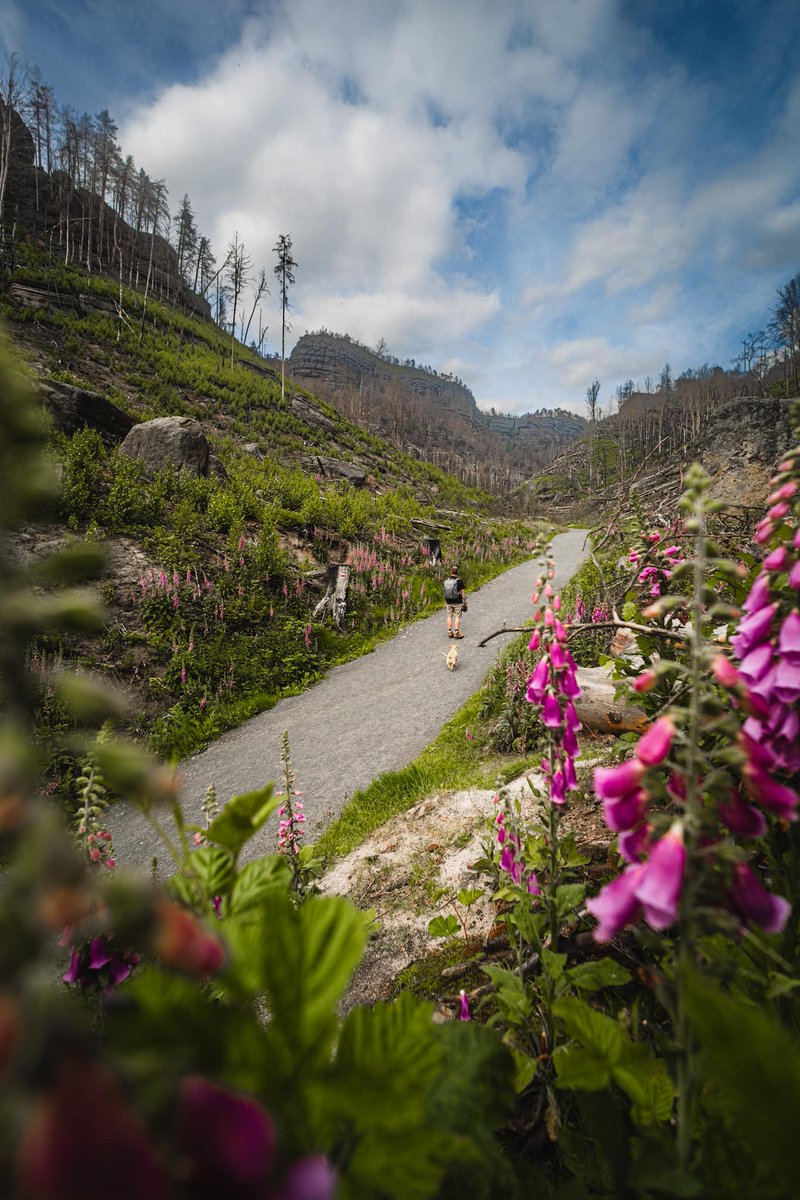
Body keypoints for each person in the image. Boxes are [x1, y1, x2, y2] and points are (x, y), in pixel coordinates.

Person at [443, 565, 467, 638]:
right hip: (457, 602)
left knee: (449, 616)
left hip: (448, 601)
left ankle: (449, 632)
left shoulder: (446, 580)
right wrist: (465, 602)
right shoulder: (459, 581)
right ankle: (456, 632)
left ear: (451, 571)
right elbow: (463, 594)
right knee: (457, 616)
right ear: (457, 572)